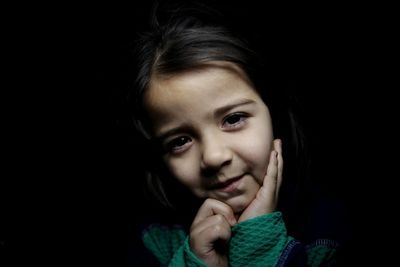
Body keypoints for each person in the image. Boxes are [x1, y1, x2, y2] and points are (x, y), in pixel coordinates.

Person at [128, 1, 348, 266]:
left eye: (233, 119)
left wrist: (257, 243)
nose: (212, 156)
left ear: (272, 113)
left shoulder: (330, 229)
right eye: (181, 141)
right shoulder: (154, 243)